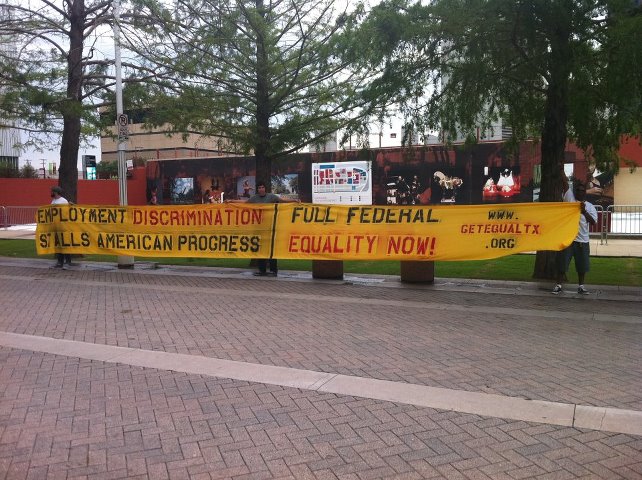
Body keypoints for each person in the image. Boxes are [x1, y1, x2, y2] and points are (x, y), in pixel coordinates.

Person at [227, 180, 299, 276]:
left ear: (265, 188)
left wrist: (294, 200)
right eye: (259, 187)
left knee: (271, 250)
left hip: (270, 228)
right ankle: (262, 270)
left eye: (262, 187)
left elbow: (283, 201)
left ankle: (273, 270)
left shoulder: (271, 197)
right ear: (257, 189)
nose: (261, 189)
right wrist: (231, 201)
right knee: (260, 250)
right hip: (259, 228)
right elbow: (244, 202)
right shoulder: (255, 198)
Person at [552, 181, 597, 295]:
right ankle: (558, 285)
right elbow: (564, 182)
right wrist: (561, 171)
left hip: (582, 240)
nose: (580, 192)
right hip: (568, 239)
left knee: (582, 265)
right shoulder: (570, 200)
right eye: (578, 190)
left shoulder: (590, 206)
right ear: (575, 192)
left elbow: (593, 222)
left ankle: (581, 286)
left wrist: (584, 211)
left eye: (582, 191)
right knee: (562, 263)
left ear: (585, 193)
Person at [50, 186, 72, 269]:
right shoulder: (53, 201)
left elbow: (66, 212)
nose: (51, 193)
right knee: (58, 245)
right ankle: (60, 262)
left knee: (64, 244)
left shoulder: (63, 201)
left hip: (63, 226)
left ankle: (68, 262)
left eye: (52, 191)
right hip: (56, 226)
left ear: (56, 192)